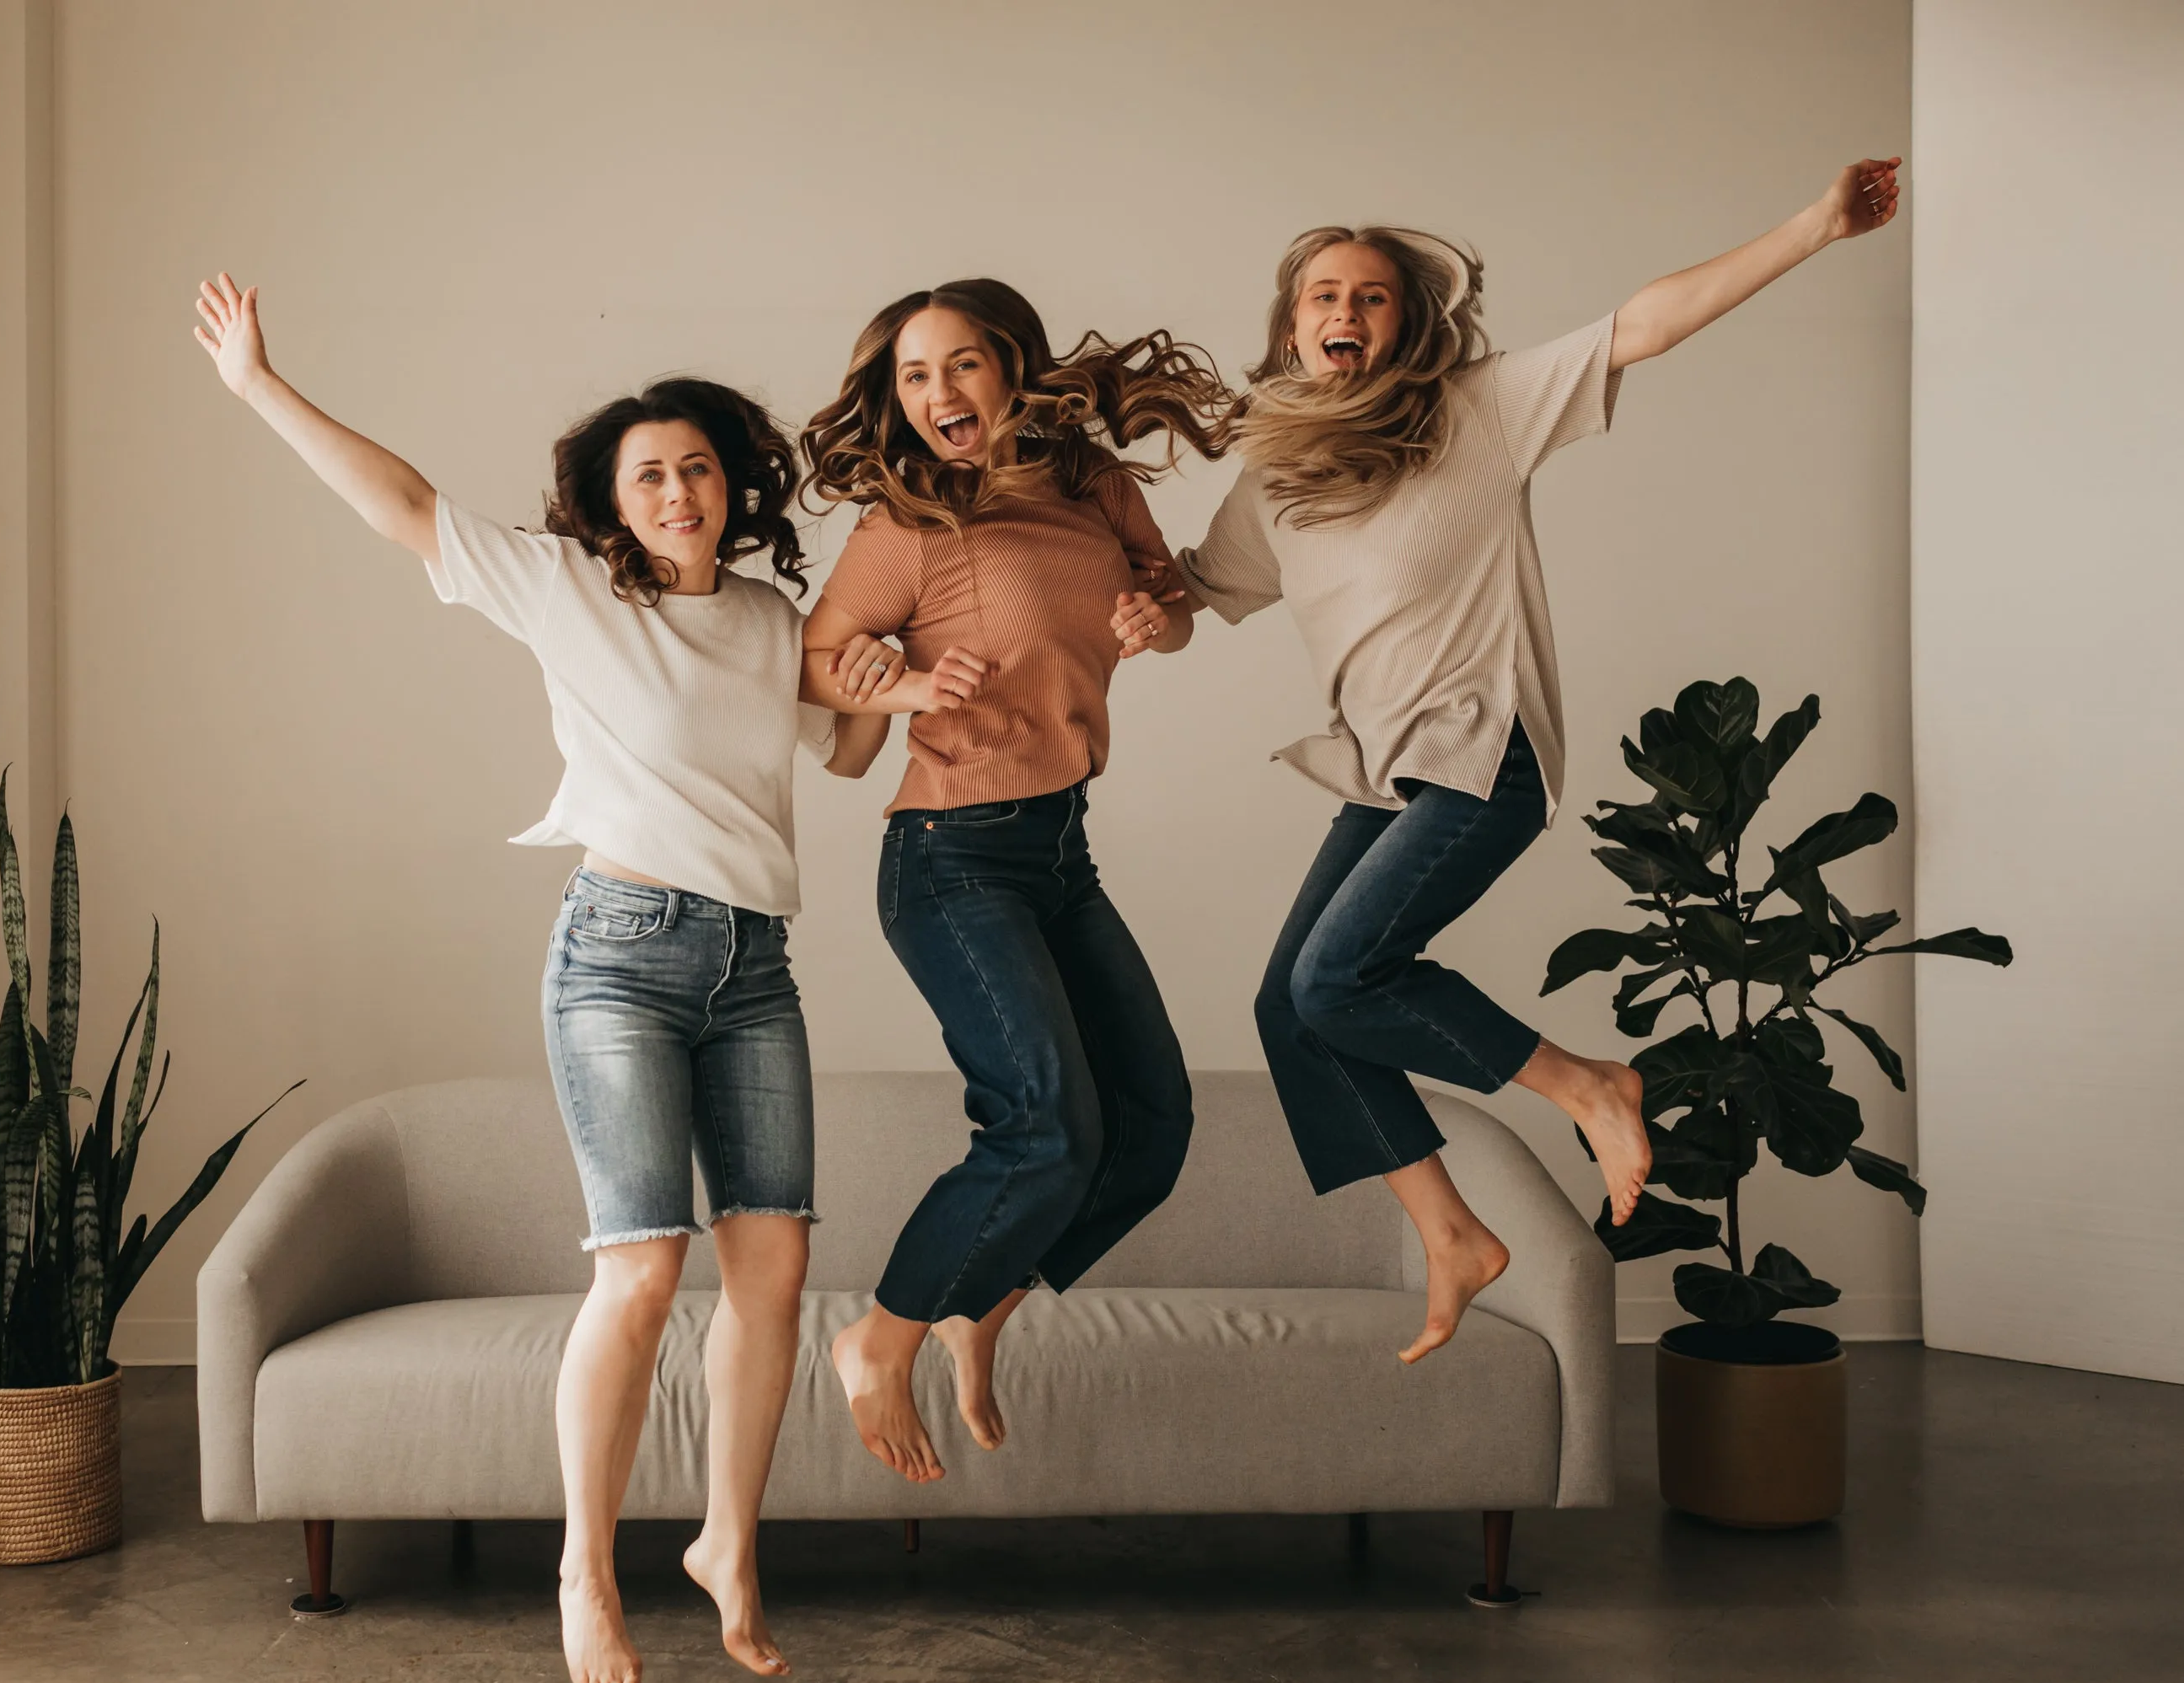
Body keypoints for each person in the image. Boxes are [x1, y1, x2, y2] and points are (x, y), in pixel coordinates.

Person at [191, 274, 889, 1683]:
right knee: (643, 1271)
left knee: (774, 1274)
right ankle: (585, 1566)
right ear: (613, 502)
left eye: (697, 465)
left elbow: (850, 759)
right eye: (649, 474)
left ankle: (726, 1542)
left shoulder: (771, 621)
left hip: (757, 967)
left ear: (732, 482)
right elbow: (405, 504)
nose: (678, 488)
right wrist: (261, 383)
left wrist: (879, 680)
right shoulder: (568, 590)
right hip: (621, 957)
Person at [1180, 159, 1905, 1364]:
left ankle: (1588, 1088)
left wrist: (1817, 226)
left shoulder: (1478, 409)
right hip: (1388, 773)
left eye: (1369, 296)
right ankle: (1452, 1234)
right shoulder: (1278, 478)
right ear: (1290, 325)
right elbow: (1190, 597)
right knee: (1292, 1007)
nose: (1345, 314)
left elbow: (1648, 324)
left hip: (1486, 755)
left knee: (1334, 980)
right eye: (1322, 297)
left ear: (1407, 321)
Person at [791, 278, 1233, 1482]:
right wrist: (894, 688)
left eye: (963, 366)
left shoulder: (1094, 488)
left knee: (1148, 1130)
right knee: (1043, 1125)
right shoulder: (910, 523)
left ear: (1014, 369)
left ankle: (978, 1306)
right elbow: (816, 660)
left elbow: (1170, 605)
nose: (940, 395)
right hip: (947, 858)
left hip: (1057, 850)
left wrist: (1157, 622)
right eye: (916, 377)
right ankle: (878, 1338)